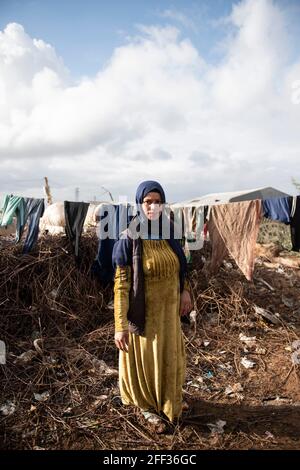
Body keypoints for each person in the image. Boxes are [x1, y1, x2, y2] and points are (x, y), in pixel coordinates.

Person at [112, 180, 192, 429]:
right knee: (147, 364)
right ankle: (147, 407)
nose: (153, 207)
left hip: (170, 317)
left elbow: (181, 268)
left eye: (158, 202)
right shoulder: (129, 238)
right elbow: (121, 285)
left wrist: (185, 292)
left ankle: (168, 399)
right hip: (146, 319)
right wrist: (120, 325)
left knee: (171, 360)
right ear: (139, 204)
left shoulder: (169, 233)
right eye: (148, 202)